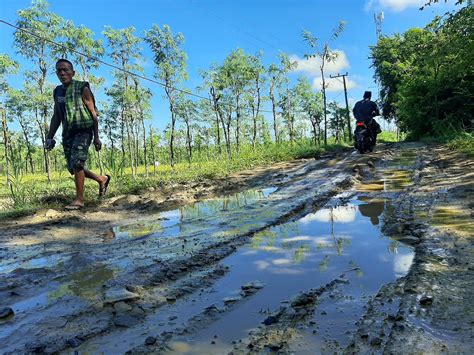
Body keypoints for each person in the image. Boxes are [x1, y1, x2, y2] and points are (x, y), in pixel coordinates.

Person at [45, 59, 110, 210]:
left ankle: (80, 200)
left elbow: (93, 113)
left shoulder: (82, 88)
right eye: (59, 70)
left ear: (72, 73)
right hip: (68, 132)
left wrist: (97, 137)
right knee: (72, 168)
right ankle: (102, 179)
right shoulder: (57, 91)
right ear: (56, 73)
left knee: (77, 163)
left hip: (84, 130)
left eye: (65, 70)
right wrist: (49, 137)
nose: (62, 73)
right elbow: (57, 116)